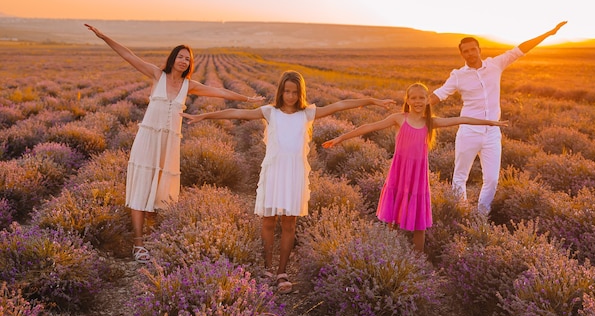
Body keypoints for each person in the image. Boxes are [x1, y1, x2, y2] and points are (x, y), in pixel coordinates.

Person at [181, 70, 395, 293]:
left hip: (295, 174)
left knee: (289, 224)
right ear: (280, 91)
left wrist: (372, 100)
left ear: (300, 93)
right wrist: (204, 116)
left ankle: (282, 272)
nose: (290, 96)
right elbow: (236, 112)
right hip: (274, 171)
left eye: (295, 92)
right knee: (268, 222)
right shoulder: (270, 112)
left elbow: (341, 105)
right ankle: (266, 269)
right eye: (286, 91)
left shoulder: (307, 114)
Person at [84, 24, 263, 264]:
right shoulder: (158, 75)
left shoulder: (189, 86)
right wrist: (104, 36)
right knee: (140, 189)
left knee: (160, 192)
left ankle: (154, 240)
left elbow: (220, 92)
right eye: (180, 57)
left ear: (190, 64)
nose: (183, 61)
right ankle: (138, 245)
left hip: (168, 145)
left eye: (187, 59)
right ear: (173, 58)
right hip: (148, 140)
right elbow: (128, 56)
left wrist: (247, 98)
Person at [323, 83, 508, 252]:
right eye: (414, 98)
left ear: (428, 100)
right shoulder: (399, 118)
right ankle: (390, 251)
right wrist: (341, 138)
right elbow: (369, 127)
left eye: (422, 98)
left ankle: (419, 259)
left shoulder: (431, 122)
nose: (418, 101)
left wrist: (491, 123)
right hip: (399, 172)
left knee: (419, 222)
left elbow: (461, 119)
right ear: (408, 100)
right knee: (393, 216)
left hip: (418, 175)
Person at [429, 21, 567, 215]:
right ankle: (459, 214)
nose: (470, 53)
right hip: (469, 132)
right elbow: (440, 94)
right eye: (465, 51)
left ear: (479, 49)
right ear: (462, 54)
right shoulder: (458, 76)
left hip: (492, 133)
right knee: (460, 176)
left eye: (473, 49)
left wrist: (548, 34)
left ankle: (481, 216)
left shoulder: (495, 65)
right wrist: (416, 107)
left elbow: (520, 50)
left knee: (492, 179)